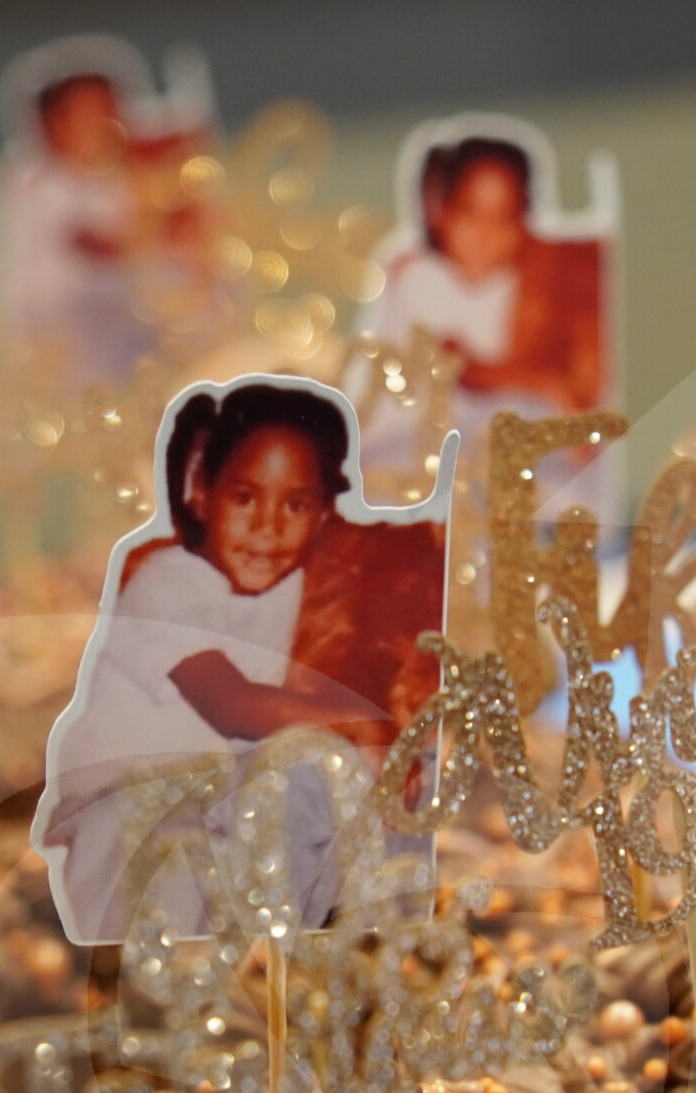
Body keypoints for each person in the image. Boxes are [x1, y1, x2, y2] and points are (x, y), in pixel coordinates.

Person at [39, 382, 436, 943]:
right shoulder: (168, 581)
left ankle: (376, 934)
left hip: (212, 811)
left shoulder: (285, 585)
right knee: (170, 941)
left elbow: (303, 692)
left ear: (324, 515)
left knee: (369, 783)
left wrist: (387, 741)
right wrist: (364, 723)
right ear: (202, 491)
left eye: (295, 505)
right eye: (245, 498)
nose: (267, 528)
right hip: (129, 820)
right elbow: (234, 705)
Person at [368, 134, 606, 424]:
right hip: (402, 431)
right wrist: (545, 385)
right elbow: (456, 364)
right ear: (439, 210)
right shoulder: (419, 274)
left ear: (524, 221)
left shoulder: (518, 277)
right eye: (470, 214)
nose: (487, 235)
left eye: (505, 218)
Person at [0, 68, 147, 380]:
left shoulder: (119, 183)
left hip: (121, 355)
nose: (108, 122)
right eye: (91, 113)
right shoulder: (36, 180)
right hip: (59, 362)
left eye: (112, 109)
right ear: (54, 123)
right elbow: (95, 243)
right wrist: (159, 228)